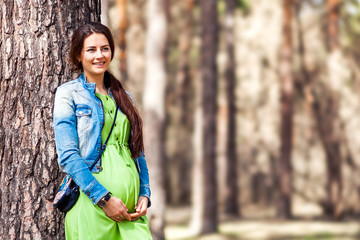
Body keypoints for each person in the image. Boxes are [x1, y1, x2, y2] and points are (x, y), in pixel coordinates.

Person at [53, 22, 152, 239]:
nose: (100, 55)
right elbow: (68, 156)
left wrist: (145, 193)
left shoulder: (123, 96)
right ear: (79, 55)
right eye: (91, 50)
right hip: (93, 207)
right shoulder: (68, 94)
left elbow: (137, 151)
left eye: (105, 48)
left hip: (132, 212)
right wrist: (104, 199)